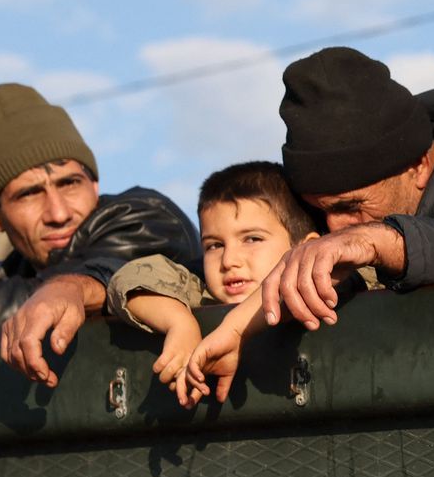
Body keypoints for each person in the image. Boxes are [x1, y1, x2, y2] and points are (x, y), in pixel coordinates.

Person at [179, 48, 434, 404]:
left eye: (352, 206)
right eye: (319, 210)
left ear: (419, 166)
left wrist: (384, 242)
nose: (334, 228)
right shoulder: (349, 198)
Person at [0, 83, 198, 388]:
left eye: (70, 183)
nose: (58, 213)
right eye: (29, 194)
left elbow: (117, 270)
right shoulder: (10, 273)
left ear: (94, 183)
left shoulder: (147, 217)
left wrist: (71, 290)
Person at [105, 162, 326, 389]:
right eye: (214, 245)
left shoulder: (335, 284)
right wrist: (180, 324)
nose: (229, 260)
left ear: (306, 249)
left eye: (252, 239)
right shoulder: (202, 295)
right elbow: (128, 278)